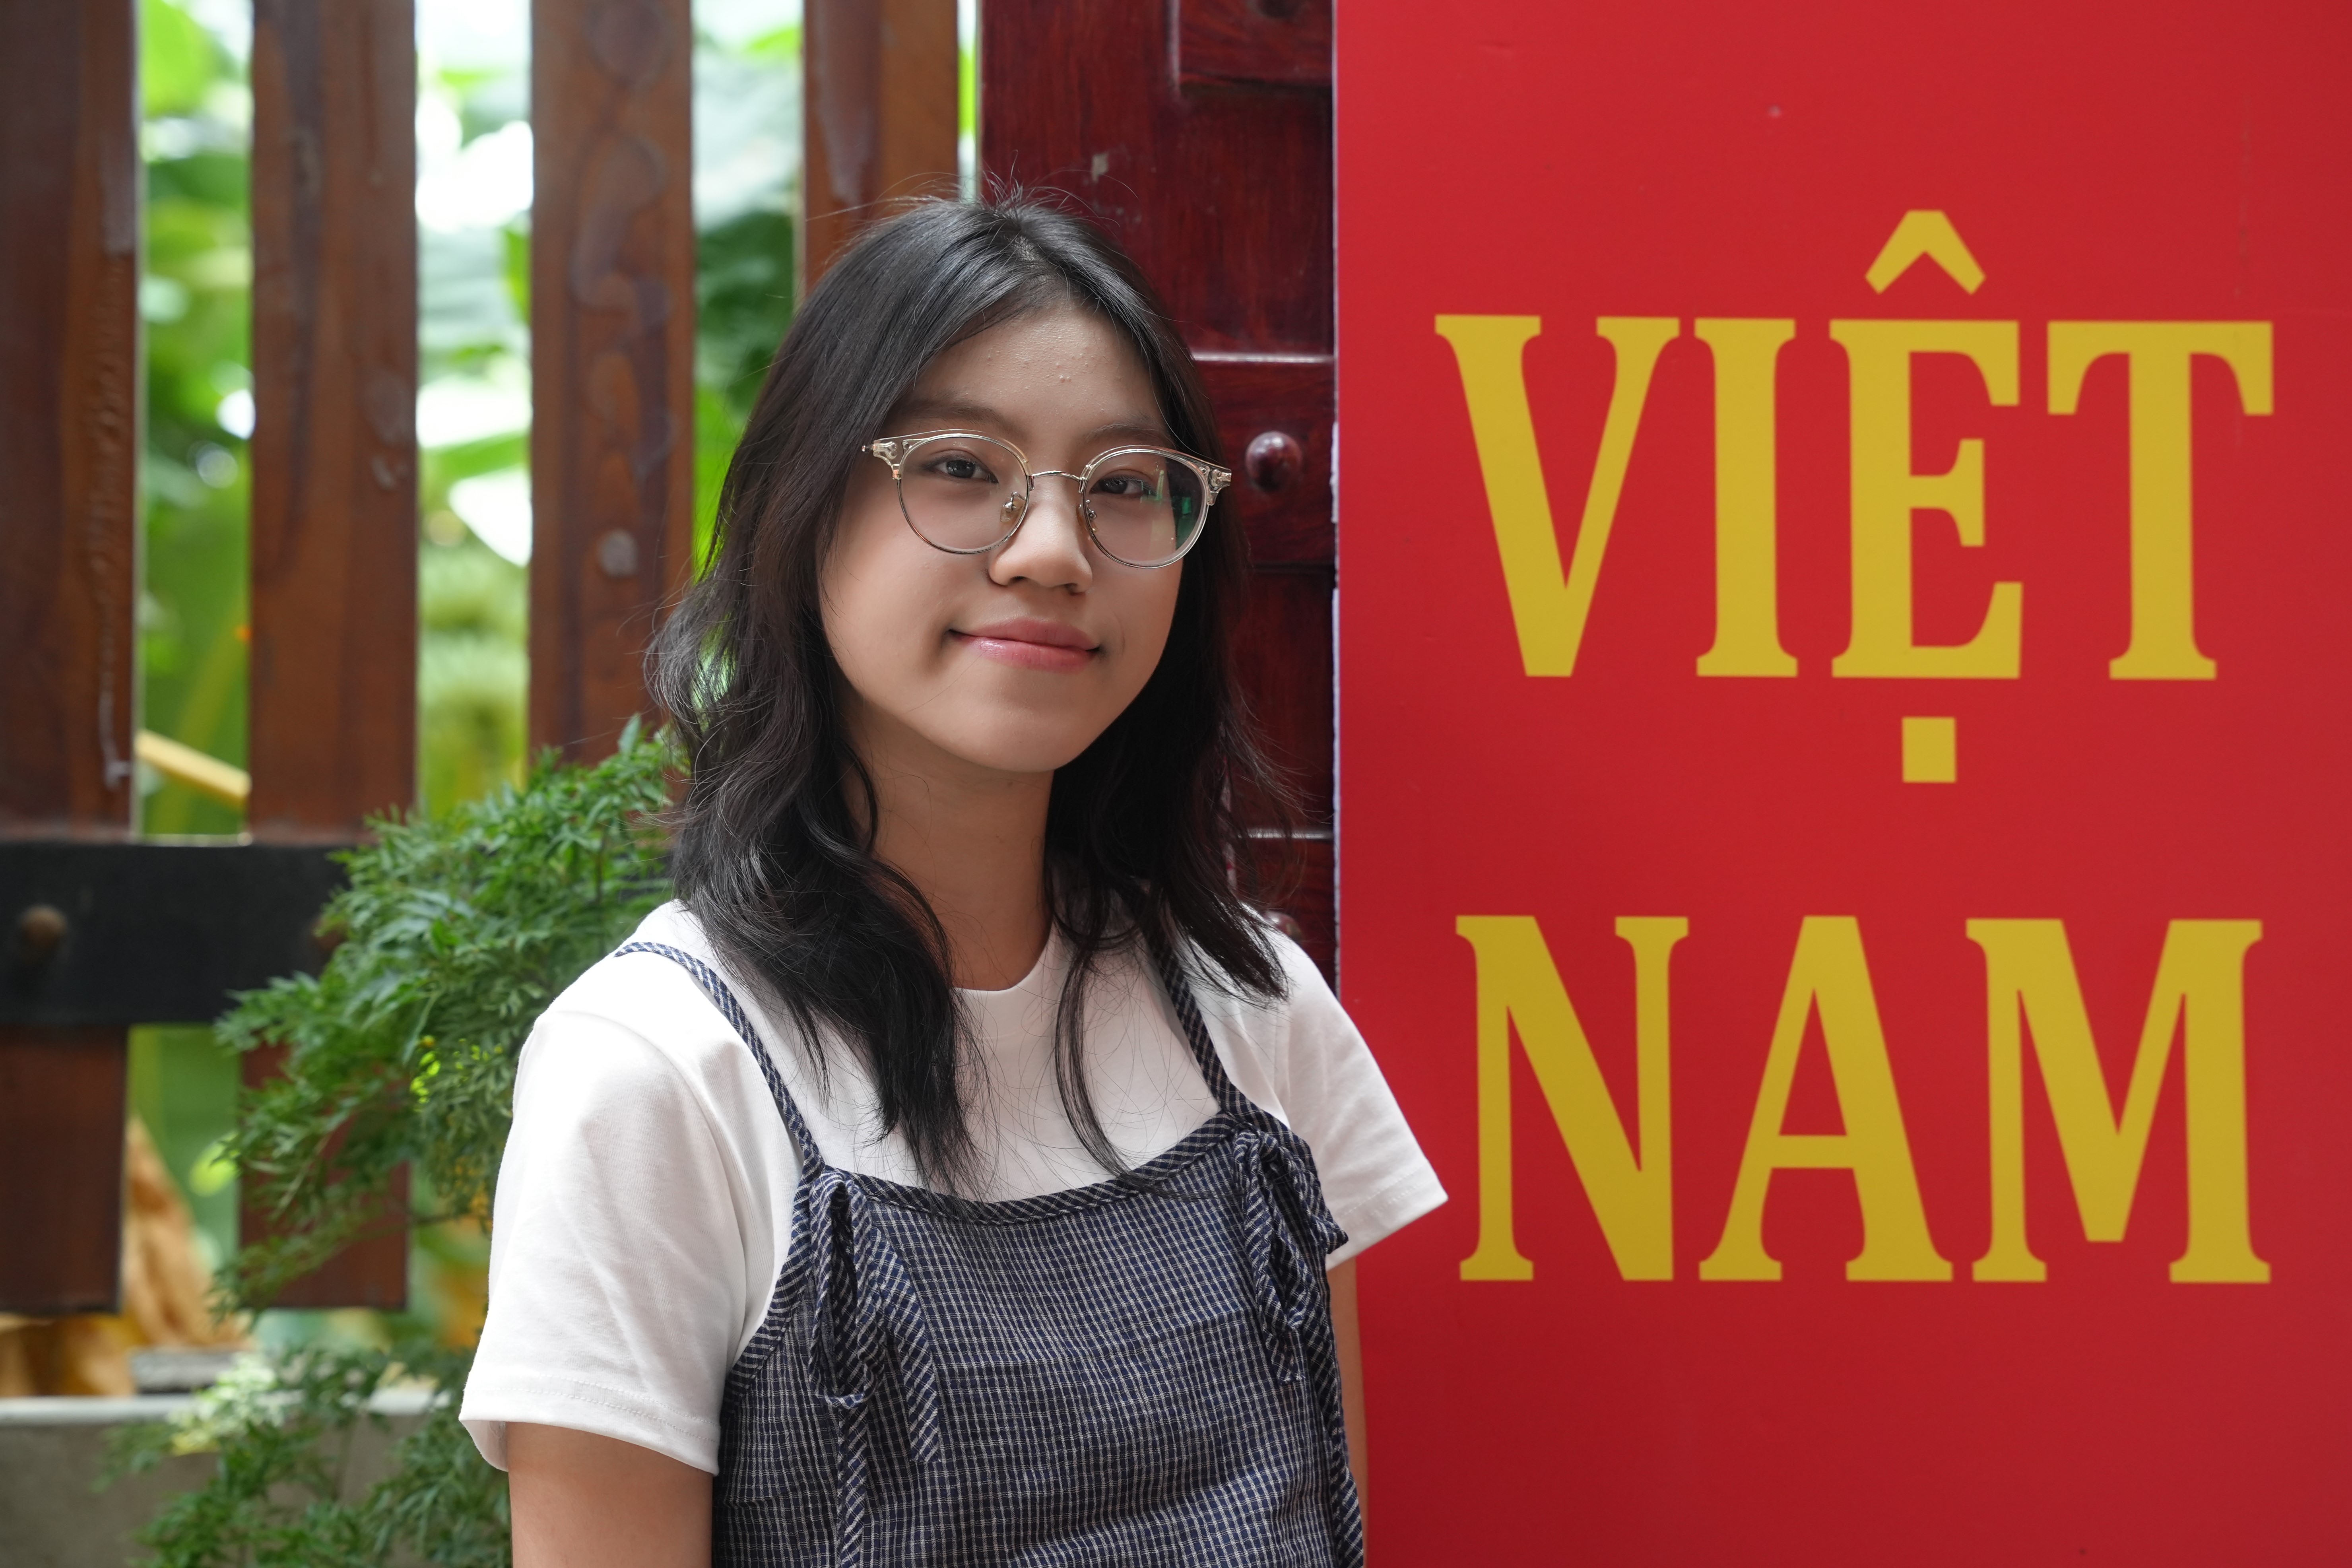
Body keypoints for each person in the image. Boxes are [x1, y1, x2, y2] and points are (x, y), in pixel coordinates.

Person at [458, 194, 1445, 1567]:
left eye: (1122, 483)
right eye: (962, 468)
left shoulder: (1251, 1007)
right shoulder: (658, 1073)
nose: (1051, 550)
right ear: (806, 512)